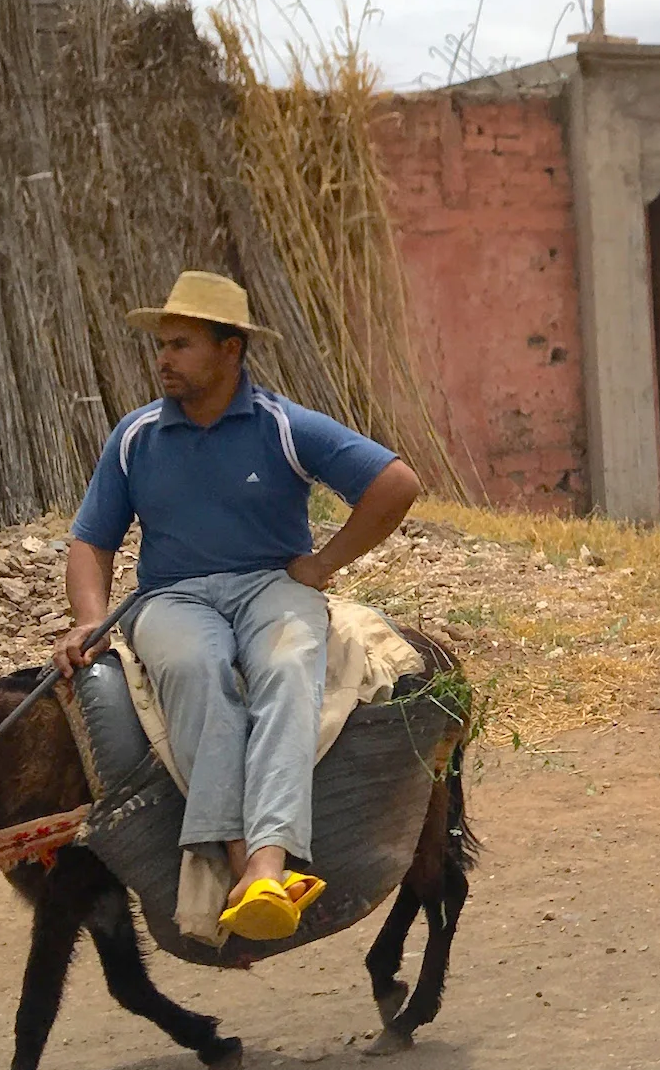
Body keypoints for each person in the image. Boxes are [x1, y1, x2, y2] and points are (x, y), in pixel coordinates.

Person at [53, 271, 421, 941]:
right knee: (195, 667)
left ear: (230, 350)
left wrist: (323, 565)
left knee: (288, 665)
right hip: (171, 597)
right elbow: (91, 541)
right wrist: (89, 618)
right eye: (162, 345)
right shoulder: (136, 436)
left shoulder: (284, 426)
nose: (163, 359)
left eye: (181, 345)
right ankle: (241, 862)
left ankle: (268, 864)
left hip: (269, 587)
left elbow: (396, 483)